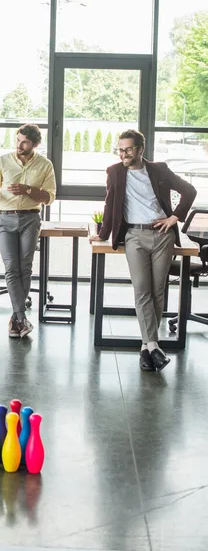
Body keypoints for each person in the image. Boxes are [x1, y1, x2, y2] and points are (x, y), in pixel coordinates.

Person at [89, 129, 196, 372]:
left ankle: (147, 349)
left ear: (140, 149)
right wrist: (103, 234)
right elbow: (110, 203)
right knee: (142, 289)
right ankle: (153, 345)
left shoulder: (159, 170)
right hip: (134, 237)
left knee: (158, 291)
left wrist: (175, 217)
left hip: (162, 235)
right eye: (120, 149)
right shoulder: (115, 172)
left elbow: (189, 191)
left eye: (128, 149)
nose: (123, 154)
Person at [0, 124, 56, 338]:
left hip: (30, 218)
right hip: (5, 219)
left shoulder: (45, 165)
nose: (19, 145)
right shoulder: (3, 161)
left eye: (24, 142)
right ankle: (21, 317)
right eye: (17, 140)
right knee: (11, 267)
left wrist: (27, 190)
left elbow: (49, 197)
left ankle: (16, 319)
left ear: (35, 144)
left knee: (25, 268)